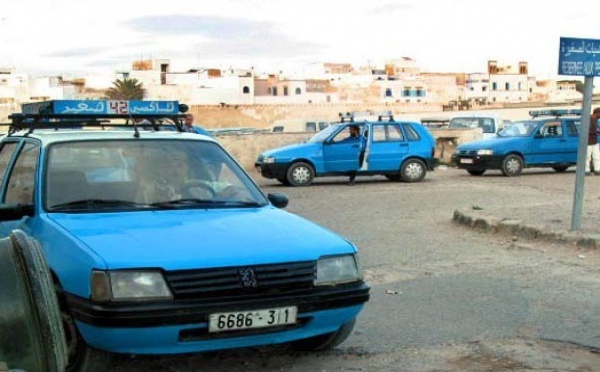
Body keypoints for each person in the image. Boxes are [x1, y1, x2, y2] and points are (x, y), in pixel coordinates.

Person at [586, 107, 600, 175]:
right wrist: (596, 131)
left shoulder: (595, 120)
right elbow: (587, 130)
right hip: (588, 142)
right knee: (587, 157)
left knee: (597, 156)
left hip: (595, 141)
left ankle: (597, 169)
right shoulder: (589, 119)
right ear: (597, 113)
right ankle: (586, 170)